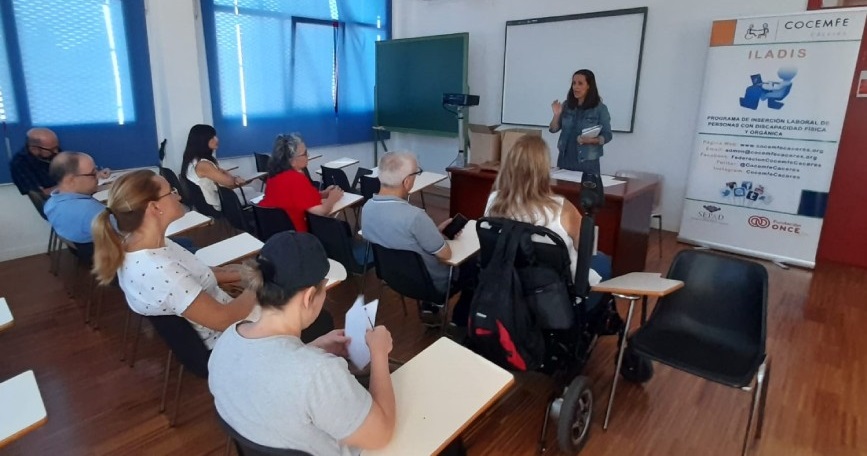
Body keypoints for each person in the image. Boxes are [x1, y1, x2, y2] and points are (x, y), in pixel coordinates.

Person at [208, 231, 396, 455]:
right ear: (308, 297)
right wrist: (379, 353)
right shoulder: (319, 374)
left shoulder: (228, 339)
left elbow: (270, 372)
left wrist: (312, 348)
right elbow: (381, 434)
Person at [91, 170, 258, 349]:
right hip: (228, 340)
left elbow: (199, 273)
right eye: (171, 192)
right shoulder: (162, 272)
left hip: (225, 314)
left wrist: (247, 273)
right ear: (154, 208)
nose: (178, 197)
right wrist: (260, 285)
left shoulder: (142, 244)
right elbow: (224, 320)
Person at [361, 152, 476, 327]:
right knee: (476, 266)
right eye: (416, 173)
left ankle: (429, 308)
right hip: (430, 284)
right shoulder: (415, 217)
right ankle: (457, 320)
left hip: (393, 278)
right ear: (407, 181)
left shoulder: (367, 208)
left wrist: (433, 232)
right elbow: (445, 254)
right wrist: (438, 236)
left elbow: (400, 240)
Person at [485, 135, 602, 284]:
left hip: (507, 284)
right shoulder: (562, 208)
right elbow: (586, 247)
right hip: (555, 294)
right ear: (544, 170)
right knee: (604, 261)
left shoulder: (494, 200)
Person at [259, 133, 344, 233]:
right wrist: (332, 199)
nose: (308, 155)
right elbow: (321, 211)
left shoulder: (273, 176)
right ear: (292, 160)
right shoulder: (296, 179)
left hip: (274, 233)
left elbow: (297, 198)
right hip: (297, 236)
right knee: (341, 228)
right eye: (304, 153)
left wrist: (323, 194)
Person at [180, 124, 261, 212]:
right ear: (203, 140)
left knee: (251, 189)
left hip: (211, 198)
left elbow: (223, 175)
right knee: (258, 195)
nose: (217, 139)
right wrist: (235, 178)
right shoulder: (203, 165)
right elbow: (230, 183)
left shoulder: (193, 160)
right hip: (215, 204)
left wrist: (227, 175)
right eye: (213, 137)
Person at [549, 69, 613, 175]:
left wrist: (591, 140)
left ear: (589, 86)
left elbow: (607, 135)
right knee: (563, 190)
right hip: (565, 159)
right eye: (574, 83)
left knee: (586, 191)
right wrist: (556, 115)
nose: (575, 87)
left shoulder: (600, 109)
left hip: (587, 161)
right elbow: (553, 129)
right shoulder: (566, 105)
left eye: (580, 83)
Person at [43, 152, 105, 244]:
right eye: (92, 174)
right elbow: (124, 234)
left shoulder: (50, 204)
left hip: (83, 251)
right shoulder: (94, 212)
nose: (97, 177)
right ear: (71, 180)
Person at [10, 127, 61, 196]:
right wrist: (67, 186)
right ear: (34, 149)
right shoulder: (20, 163)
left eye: (56, 147)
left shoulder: (53, 152)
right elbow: (39, 194)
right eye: (51, 149)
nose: (56, 151)